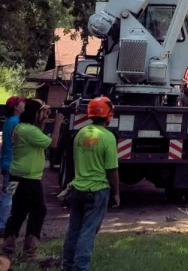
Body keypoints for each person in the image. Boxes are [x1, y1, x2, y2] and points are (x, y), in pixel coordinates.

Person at [2, 99, 63, 262]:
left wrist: (41, 123)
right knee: (39, 211)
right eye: (41, 112)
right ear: (34, 113)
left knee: (17, 212)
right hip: (28, 179)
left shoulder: (19, 128)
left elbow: (38, 141)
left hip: (15, 176)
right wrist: (57, 124)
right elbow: (53, 144)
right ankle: (30, 253)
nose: (44, 114)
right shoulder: (29, 131)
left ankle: (7, 251)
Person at [62, 97, 119, 271]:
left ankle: (67, 266)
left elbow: (73, 161)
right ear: (108, 115)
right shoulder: (108, 137)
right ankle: (81, 268)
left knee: (74, 230)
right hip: (97, 191)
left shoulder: (80, 134)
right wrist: (116, 193)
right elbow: (111, 169)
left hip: (77, 188)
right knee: (88, 232)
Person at [0, 96, 26, 237]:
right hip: (12, 165)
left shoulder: (10, 121)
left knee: (7, 194)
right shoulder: (17, 123)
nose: (24, 104)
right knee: (9, 196)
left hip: (7, 164)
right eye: (22, 103)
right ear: (16, 107)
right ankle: (3, 226)